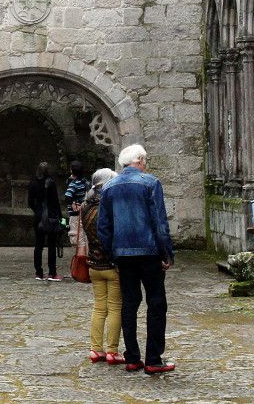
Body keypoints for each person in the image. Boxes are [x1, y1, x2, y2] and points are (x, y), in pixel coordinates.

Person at [97, 144, 176, 375]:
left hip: (123, 255)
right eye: (145, 159)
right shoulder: (150, 183)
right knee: (156, 303)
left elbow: (104, 227)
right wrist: (166, 253)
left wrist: (113, 254)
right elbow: (159, 223)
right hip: (149, 252)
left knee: (129, 304)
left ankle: (132, 357)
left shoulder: (109, 187)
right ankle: (153, 358)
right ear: (140, 160)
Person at [82, 168, 124, 365]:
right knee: (115, 308)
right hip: (110, 264)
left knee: (99, 308)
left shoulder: (85, 205)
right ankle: (112, 351)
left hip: (93, 263)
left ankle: (95, 349)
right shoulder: (110, 206)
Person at [29, 161, 63, 281]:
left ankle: (38, 272)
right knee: (52, 245)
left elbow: (30, 202)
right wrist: (60, 217)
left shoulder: (33, 183)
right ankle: (52, 273)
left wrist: (38, 211)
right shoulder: (51, 183)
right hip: (51, 217)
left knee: (38, 245)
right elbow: (55, 202)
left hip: (38, 217)